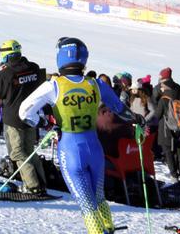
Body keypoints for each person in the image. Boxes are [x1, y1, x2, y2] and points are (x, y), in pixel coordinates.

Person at [20, 37, 143, 234]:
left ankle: (98, 231)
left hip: (70, 149)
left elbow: (24, 112)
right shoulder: (96, 84)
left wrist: (44, 123)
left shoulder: (53, 85)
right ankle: (108, 228)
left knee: (87, 204)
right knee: (99, 196)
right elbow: (120, 109)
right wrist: (137, 118)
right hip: (94, 148)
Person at [0, 39, 47, 194]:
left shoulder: (5, 74)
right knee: (29, 150)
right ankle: (41, 182)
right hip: (31, 116)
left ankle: (32, 185)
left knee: (18, 152)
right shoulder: (34, 68)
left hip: (13, 118)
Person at [146, 80, 180, 182]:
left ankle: (174, 175)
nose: (161, 88)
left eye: (162, 86)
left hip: (167, 131)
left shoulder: (163, 99)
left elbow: (157, 115)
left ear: (167, 88)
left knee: (168, 153)